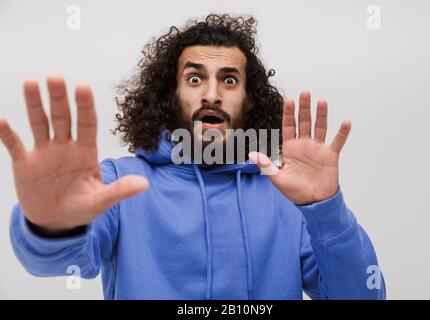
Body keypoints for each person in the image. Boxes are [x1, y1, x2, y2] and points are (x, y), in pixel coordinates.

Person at [0, 14, 386, 299]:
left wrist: (325, 209)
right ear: (171, 95)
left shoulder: (286, 195)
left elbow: (363, 296)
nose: (212, 94)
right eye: (195, 78)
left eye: (229, 80)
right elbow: (52, 263)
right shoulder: (120, 183)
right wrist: (50, 223)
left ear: (249, 100)